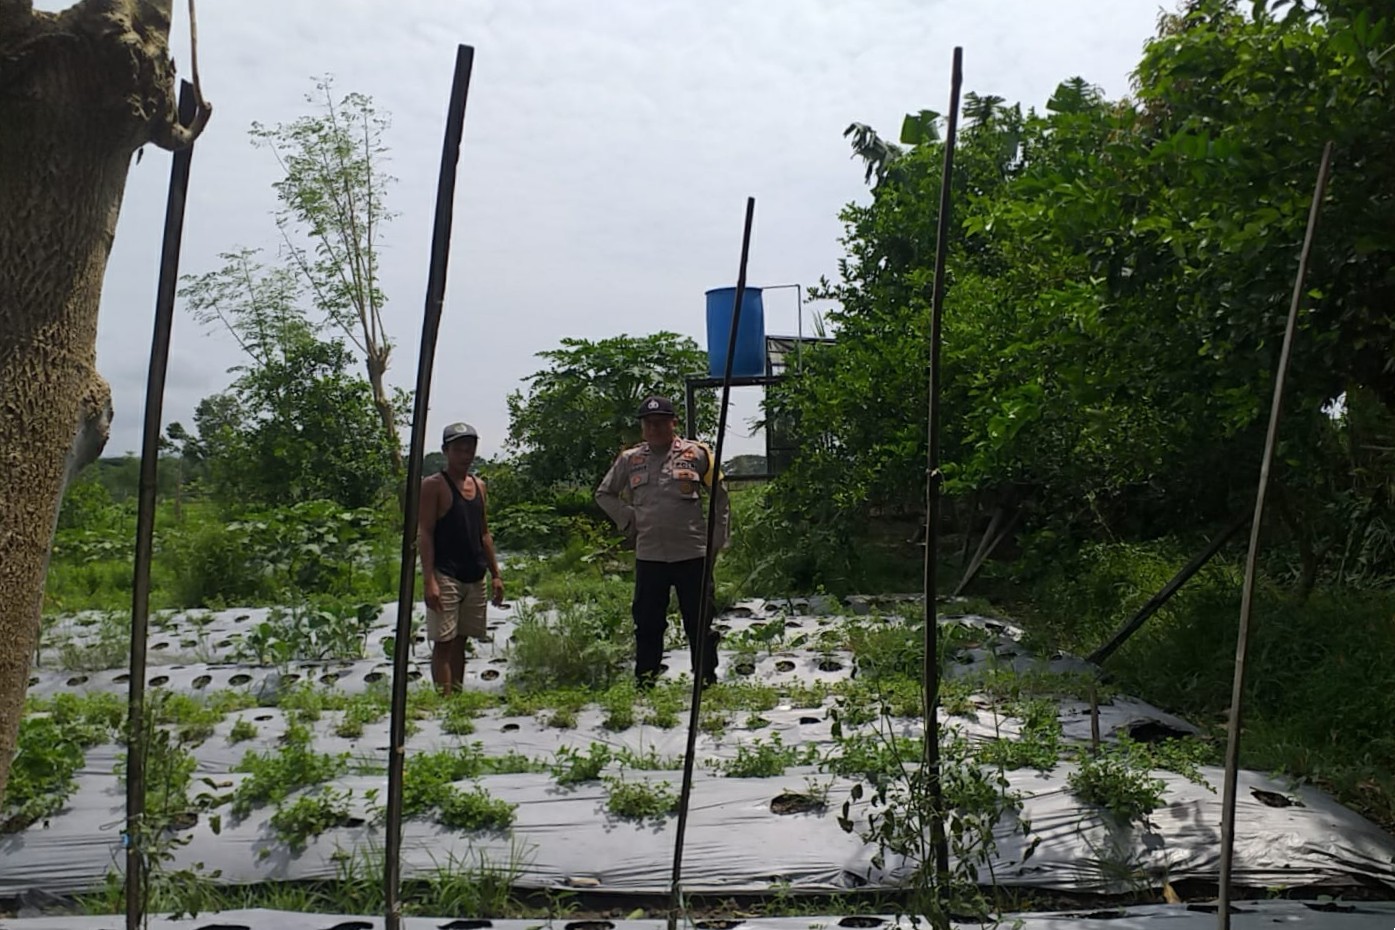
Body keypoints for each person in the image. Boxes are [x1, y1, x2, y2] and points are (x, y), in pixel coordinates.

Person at [596, 395, 730, 689]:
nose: (654, 428)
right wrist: (628, 518)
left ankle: (705, 679)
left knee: (699, 620)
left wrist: (717, 540)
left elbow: (720, 498)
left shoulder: (697, 454)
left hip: (692, 553)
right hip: (651, 555)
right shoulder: (630, 460)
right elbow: (604, 494)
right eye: (648, 424)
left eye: (660, 422)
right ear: (642, 427)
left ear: (673, 423)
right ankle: (646, 678)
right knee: (647, 621)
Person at [419, 421, 503, 695]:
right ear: (446, 451)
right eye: (459, 448)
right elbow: (426, 533)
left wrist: (496, 574)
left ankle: (456, 695)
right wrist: (429, 580)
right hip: (446, 573)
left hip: (474, 572)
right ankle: (444, 703)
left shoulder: (479, 486)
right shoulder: (434, 486)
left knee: (461, 639)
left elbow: (484, 533)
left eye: (470, 447)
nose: (465, 453)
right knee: (443, 641)